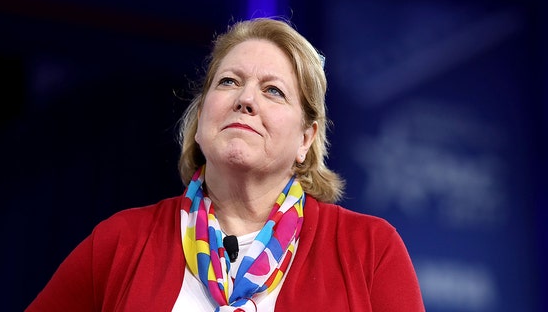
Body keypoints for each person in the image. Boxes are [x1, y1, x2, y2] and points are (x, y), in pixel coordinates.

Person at [25, 17, 425, 311]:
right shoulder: (120, 242)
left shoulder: (371, 250)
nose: (245, 99)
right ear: (200, 121)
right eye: (229, 82)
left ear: (306, 139)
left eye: (273, 90)